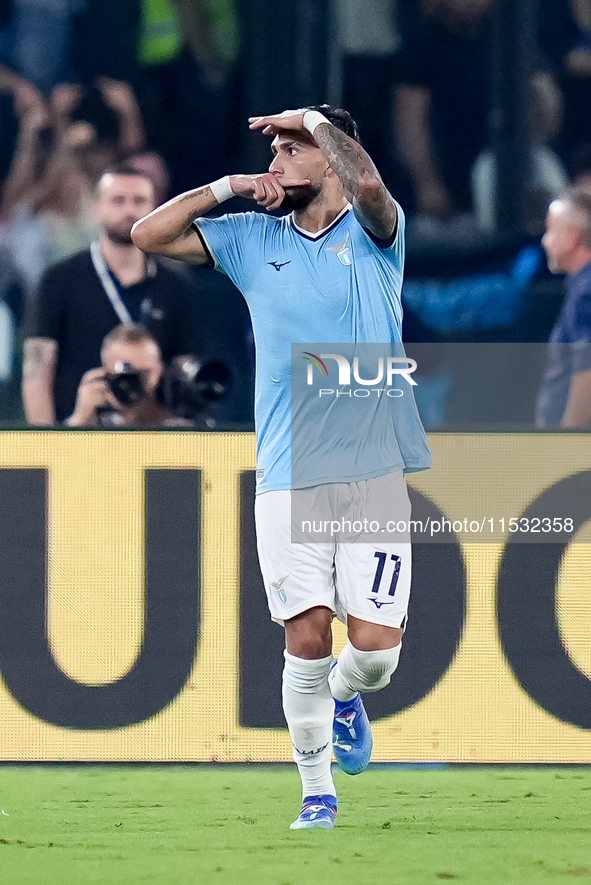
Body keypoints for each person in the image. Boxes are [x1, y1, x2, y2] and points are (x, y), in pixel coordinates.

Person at [131, 104, 432, 829]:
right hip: (286, 469)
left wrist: (313, 119)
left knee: (374, 654)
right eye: (274, 151)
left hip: (373, 470)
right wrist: (234, 183)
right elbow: (148, 233)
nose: (277, 160)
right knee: (305, 636)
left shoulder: (373, 232)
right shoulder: (250, 237)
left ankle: (345, 696)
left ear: (331, 155)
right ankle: (315, 792)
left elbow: (367, 187)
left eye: (291, 149)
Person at [22, 165, 197, 425]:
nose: (129, 210)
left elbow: (186, 364)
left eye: (139, 201)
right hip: (81, 428)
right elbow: (37, 370)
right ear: (97, 209)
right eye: (118, 200)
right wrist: (47, 447)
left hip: (154, 434)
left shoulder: (174, 283)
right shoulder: (60, 278)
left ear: (155, 210)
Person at [536, 186, 591, 427]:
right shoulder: (579, 287)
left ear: (572, 236)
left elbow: (587, 372)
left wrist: (564, 446)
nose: (544, 241)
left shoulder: (585, 293)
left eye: (550, 230)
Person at [66, 322, 190, 428]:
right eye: (126, 374)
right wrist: (80, 419)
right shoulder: (92, 426)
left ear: (159, 370)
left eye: (144, 373)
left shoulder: (178, 431)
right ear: (105, 375)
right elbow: (59, 455)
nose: (135, 382)